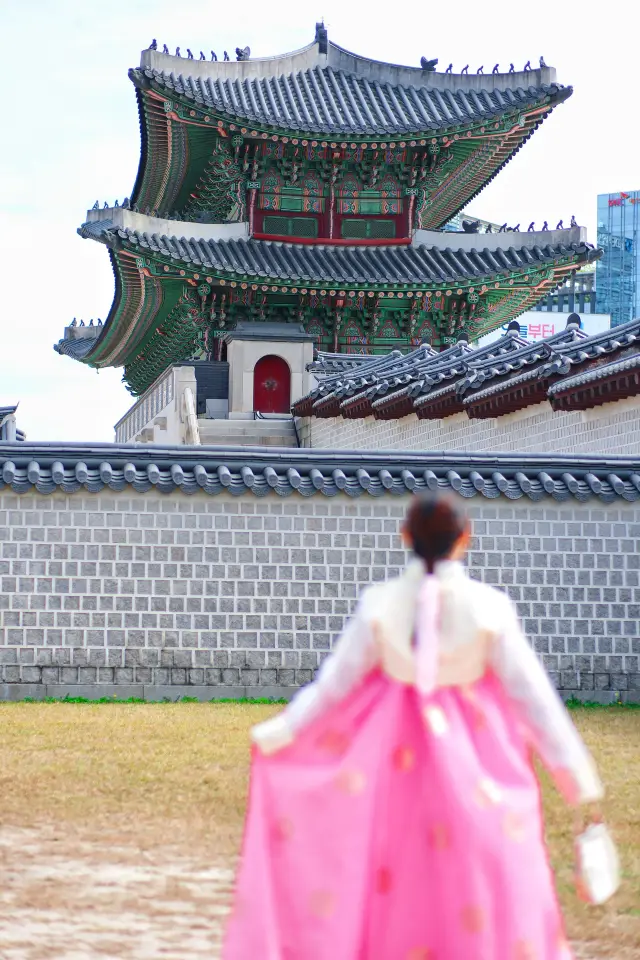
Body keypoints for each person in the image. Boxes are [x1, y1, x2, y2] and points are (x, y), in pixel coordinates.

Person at [224, 493, 607, 959]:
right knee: (477, 873)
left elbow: (333, 686)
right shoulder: (489, 607)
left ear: (405, 537)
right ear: (465, 538)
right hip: (477, 760)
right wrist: (577, 779)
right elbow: (535, 700)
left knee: (397, 877)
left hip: (393, 764)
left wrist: (282, 732)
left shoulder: (380, 603)